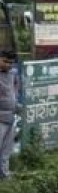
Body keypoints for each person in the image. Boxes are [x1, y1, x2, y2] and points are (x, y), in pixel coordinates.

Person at [0, 51, 18, 179]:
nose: (8, 65)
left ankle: (4, 174)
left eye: (11, 63)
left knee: (6, 149)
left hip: (10, 116)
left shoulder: (12, 74)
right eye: (5, 61)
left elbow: (14, 90)